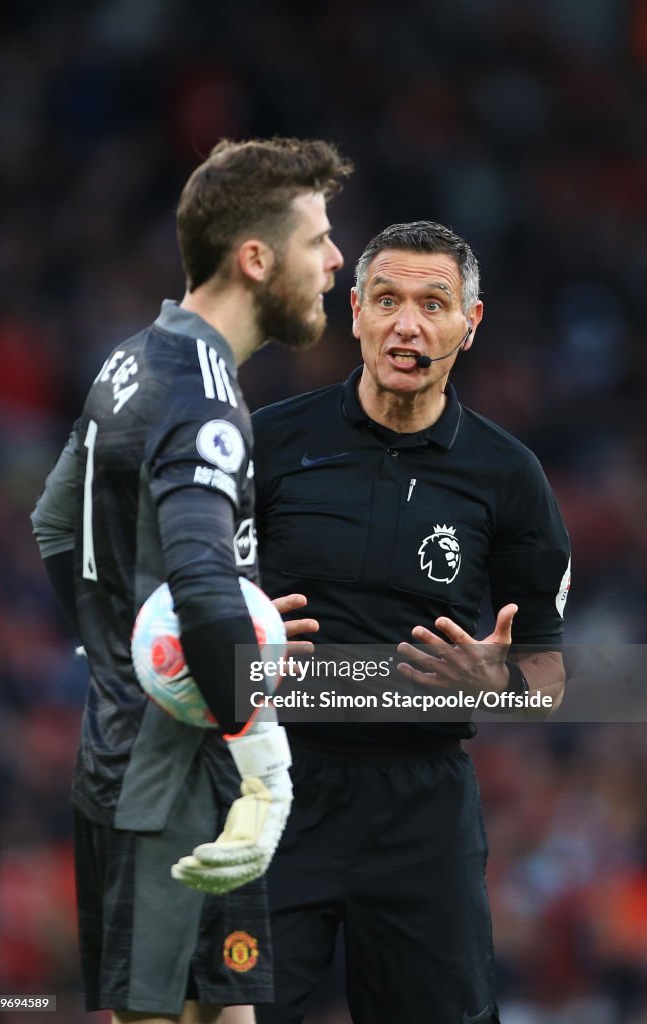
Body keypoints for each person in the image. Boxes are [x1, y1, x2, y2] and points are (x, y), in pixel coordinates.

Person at [30, 136, 351, 1024]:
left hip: (151, 759)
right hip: (168, 786)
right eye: (317, 238)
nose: (334, 261)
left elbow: (57, 522)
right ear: (255, 259)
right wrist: (269, 774)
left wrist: (134, 657)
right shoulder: (205, 398)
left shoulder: (134, 356)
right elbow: (203, 592)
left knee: (225, 1013)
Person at [251, 220, 571, 1024]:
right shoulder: (268, 446)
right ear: (353, 310)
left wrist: (495, 682)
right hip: (270, 787)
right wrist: (233, 647)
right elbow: (181, 613)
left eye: (434, 303)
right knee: (228, 1013)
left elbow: (547, 682)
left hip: (421, 807)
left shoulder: (508, 476)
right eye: (387, 299)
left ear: (471, 322)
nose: (407, 324)